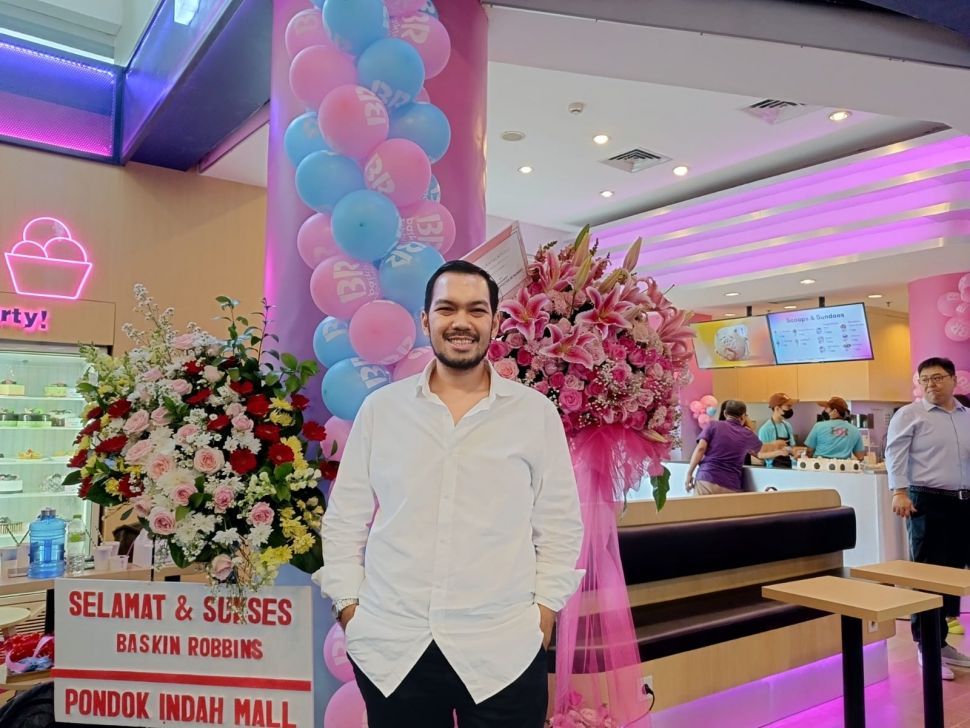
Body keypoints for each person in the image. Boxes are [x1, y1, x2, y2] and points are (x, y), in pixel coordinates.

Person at [315, 260, 584, 727]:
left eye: (476, 310)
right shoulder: (382, 410)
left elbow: (559, 522)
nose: (461, 322)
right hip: (394, 648)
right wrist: (349, 609)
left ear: (495, 322)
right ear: (426, 321)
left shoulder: (533, 414)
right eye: (447, 308)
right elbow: (345, 518)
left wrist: (543, 613)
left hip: (503, 649)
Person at [886, 356, 970, 681]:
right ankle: (927, 646)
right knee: (927, 574)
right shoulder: (909, 415)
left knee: (954, 573)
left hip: (964, 503)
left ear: (953, 380)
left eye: (937, 378)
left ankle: (944, 641)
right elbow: (895, 454)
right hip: (926, 501)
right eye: (925, 379)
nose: (931, 384)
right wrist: (899, 491)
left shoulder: (966, 416)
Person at [686, 399, 792, 494]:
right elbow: (762, 450)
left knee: (702, 515)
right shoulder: (747, 433)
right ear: (743, 416)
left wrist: (689, 474)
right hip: (730, 485)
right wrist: (776, 445)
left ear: (725, 413)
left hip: (706, 479)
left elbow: (700, 448)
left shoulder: (713, 425)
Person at [757, 393, 797, 468]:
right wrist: (778, 452)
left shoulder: (787, 426)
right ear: (777, 408)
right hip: (773, 469)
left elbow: (791, 447)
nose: (790, 409)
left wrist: (795, 452)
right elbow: (760, 454)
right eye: (788, 406)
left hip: (788, 467)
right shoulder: (765, 429)